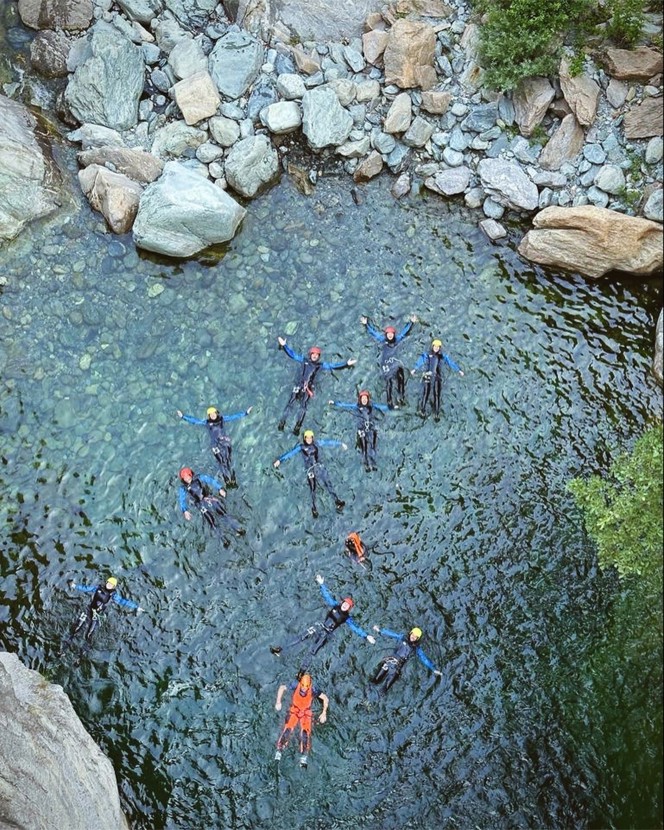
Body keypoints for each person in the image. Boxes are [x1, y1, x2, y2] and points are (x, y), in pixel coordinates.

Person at [270, 574, 376, 670]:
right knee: (301, 637)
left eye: (347, 605)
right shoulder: (335, 605)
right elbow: (327, 596)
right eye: (345, 603)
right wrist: (322, 584)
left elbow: (356, 628)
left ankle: (301, 672)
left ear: (349, 608)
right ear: (342, 602)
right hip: (319, 626)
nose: (345, 605)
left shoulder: (347, 618)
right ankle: (279, 650)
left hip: (326, 634)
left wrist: (366, 636)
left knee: (313, 651)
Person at [276, 336, 357, 434]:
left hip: (307, 389)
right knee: (290, 404)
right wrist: (284, 346)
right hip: (299, 385)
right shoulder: (304, 360)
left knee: (303, 407)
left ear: (319, 357)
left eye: (316, 355)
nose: (314, 356)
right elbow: (293, 355)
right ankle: (282, 422)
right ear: (310, 355)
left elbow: (333, 366)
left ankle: (297, 426)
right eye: (313, 354)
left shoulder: (320, 365)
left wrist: (346, 364)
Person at [273, 430, 347, 518]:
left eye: (310, 437)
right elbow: (290, 453)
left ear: (312, 437)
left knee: (328, 484)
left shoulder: (317, 443)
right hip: (310, 470)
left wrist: (340, 444)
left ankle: (337, 501)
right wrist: (280, 460)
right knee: (313, 489)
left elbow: (328, 442)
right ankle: (314, 508)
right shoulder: (301, 447)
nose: (309, 439)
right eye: (307, 437)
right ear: (304, 438)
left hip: (319, 467)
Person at [176, 405, 253, 486]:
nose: (213, 415)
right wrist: (183, 416)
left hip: (224, 442)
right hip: (215, 445)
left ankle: (232, 477)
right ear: (209, 416)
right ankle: (226, 479)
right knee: (221, 461)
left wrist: (245, 413)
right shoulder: (206, 423)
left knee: (228, 460)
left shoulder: (222, 419)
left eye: (214, 413)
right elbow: (195, 421)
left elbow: (233, 417)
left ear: (216, 413)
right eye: (210, 414)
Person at [64, 576, 140, 647]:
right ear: (106, 582)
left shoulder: (113, 595)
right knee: (77, 628)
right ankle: (66, 643)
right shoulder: (98, 588)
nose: (109, 585)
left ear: (114, 587)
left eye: (111, 585)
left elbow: (123, 601)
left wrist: (136, 607)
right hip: (88, 610)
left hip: (96, 615)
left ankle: (84, 651)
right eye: (109, 583)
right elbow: (86, 588)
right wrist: (74, 586)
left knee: (89, 634)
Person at [360, 314, 417, 408]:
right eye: (388, 334)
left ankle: (401, 395)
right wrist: (366, 325)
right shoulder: (382, 340)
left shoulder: (397, 340)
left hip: (394, 362)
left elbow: (404, 333)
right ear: (386, 335)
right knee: (389, 381)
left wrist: (411, 323)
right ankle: (389, 400)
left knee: (400, 375)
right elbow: (373, 333)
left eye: (391, 334)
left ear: (394, 334)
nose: (390, 336)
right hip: (385, 364)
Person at [274, 673, 329, 767]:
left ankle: (304, 756)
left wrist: (324, 713)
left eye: (305, 688)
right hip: (294, 711)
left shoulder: (313, 689)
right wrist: (278, 702)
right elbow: (282, 687)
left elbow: (325, 698)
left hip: (306, 713)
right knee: (287, 730)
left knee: (305, 734)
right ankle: (279, 750)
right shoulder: (295, 684)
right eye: (302, 687)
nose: (303, 689)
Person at [370, 625, 442, 694]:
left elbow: (424, 659)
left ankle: (374, 702)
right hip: (389, 661)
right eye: (412, 635)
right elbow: (391, 634)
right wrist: (379, 631)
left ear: (417, 639)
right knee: (376, 680)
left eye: (416, 637)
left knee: (385, 688)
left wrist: (433, 669)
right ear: (410, 633)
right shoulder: (402, 637)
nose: (413, 637)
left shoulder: (416, 648)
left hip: (397, 669)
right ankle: (366, 695)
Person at [328, 390, 388, 471]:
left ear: (368, 399)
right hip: (361, 429)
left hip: (370, 428)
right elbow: (345, 405)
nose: (364, 400)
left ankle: (373, 462)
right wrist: (334, 403)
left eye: (365, 398)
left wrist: (391, 407)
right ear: (360, 399)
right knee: (364, 446)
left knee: (373, 444)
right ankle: (365, 462)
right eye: (362, 398)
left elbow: (382, 407)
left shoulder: (372, 406)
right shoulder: (356, 406)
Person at [177, 467, 243, 535]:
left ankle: (236, 527)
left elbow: (211, 480)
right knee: (211, 522)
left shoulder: (199, 477)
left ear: (191, 475)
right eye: (185, 478)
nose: (187, 479)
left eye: (188, 476)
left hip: (208, 498)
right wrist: (185, 511)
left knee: (222, 513)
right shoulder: (183, 488)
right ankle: (222, 538)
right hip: (200, 504)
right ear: (183, 479)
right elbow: (182, 500)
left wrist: (220, 488)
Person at [411, 338, 464, 417]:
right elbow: (421, 361)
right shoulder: (427, 354)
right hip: (428, 375)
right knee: (426, 392)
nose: (436, 348)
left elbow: (450, 363)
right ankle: (422, 410)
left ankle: (437, 413)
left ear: (440, 348)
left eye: (438, 347)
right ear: (432, 346)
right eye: (434, 346)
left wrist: (459, 370)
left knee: (437, 394)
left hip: (437, 377)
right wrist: (415, 369)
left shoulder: (442, 356)